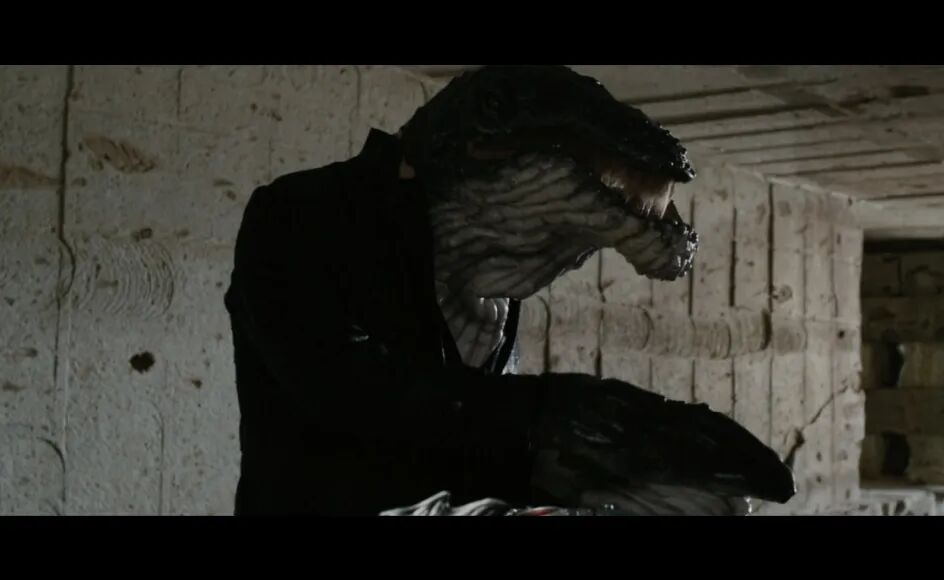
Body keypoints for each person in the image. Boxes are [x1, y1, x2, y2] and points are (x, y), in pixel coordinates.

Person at [225, 65, 794, 516]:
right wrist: (573, 420)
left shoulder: (487, 277)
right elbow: (345, 389)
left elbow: (462, 444)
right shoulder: (300, 213)